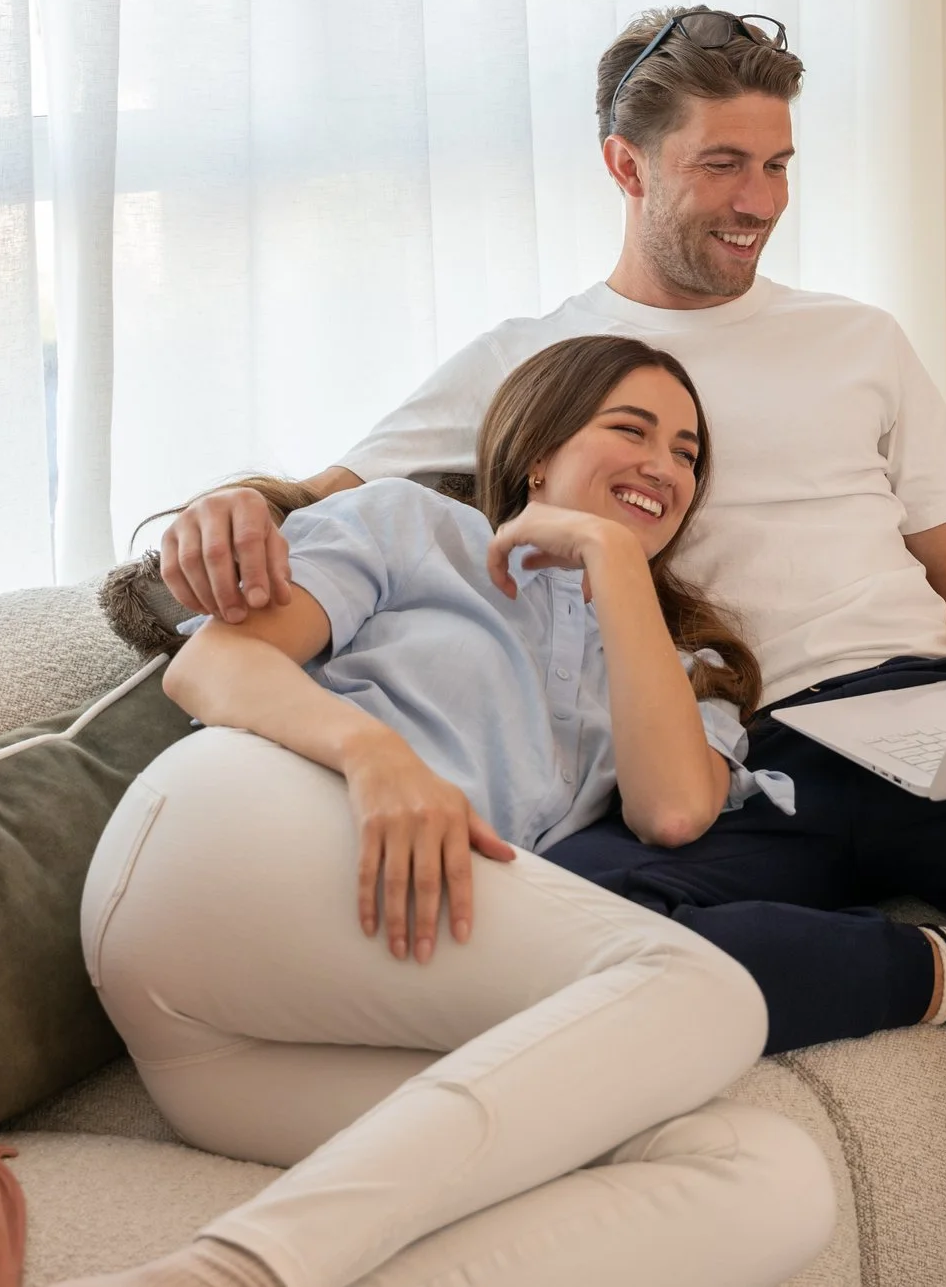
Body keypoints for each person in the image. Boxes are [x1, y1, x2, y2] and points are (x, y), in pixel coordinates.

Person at [162, 7, 946, 1286]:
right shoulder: (529, 361)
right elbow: (311, 501)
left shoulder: (857, 341)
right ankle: (943, 971)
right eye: (721, 164)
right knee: (581, 946)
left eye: (777, 166)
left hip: (932, 712)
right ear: (625, 163)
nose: (757, 200)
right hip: (733, 754)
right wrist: (227, 504)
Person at [71, 336, 833, 1287]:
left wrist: (606, 556)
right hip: (234, 841)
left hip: (241, 1054)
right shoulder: (412, 525)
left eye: (686, 453)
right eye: (630, 429)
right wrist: (373, 754)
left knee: (767, 1173)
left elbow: (672, 810)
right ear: (539, 451)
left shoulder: (690, 683)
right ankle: (236, 1273)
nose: (663, 465)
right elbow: (215, 664)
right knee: (712, 991)